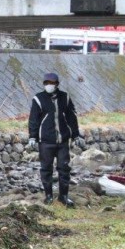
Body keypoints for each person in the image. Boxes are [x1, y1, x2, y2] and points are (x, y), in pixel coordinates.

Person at [28, 72, 81, 207]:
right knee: (46, 169)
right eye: (46, 83)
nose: (49, 85)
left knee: (64, 168)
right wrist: (32, 136)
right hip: (45, 140)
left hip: (63, 140)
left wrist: (76, 135)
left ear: (57, 84)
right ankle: (49, 196)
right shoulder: (38, 98)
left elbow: (71, 117)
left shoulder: (65, 97)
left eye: (51, 83)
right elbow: (33, 119)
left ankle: (64, 196)